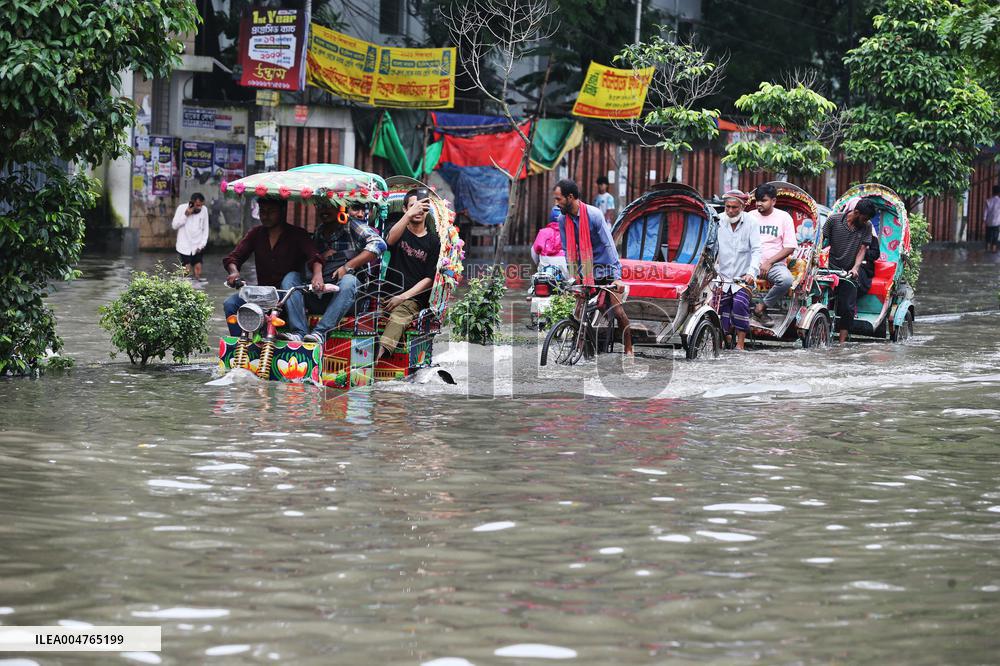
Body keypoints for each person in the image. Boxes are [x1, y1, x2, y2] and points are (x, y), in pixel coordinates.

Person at [282, 202, 387, 344]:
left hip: (348, 299)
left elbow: (379, 244)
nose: (324, 210)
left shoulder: (351, 225)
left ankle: (320, 333)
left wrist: (347, 267)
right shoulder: (319, 231)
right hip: (321, 294)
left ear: (340, 207)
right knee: (290, 278)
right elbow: (312, 259)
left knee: (349, 280)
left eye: (329, 206)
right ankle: (299, 332)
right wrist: (322, 262)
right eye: (321, 206)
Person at [553, 178, 633, 356]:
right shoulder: (561, 220)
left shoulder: (594, 214)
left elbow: (609, 245)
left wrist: (617, 276)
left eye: (559, 199)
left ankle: (628, 346)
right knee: (579, 310)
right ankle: (583, 346)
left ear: (570, 197)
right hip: (586, 269)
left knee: (617, 310)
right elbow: (567, 249)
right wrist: (573, 275)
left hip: (607, 268)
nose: (556, 203)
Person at [222, 198, 323, 337]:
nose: (265, 216)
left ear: (283, 211)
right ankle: (241, 345)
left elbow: (315, 256)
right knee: (230, 303)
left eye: (270, 211)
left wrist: (318, 275)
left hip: (288, 295)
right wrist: (234, 272)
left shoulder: (298, 234)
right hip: (264, 294)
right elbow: (234, 258)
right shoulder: (255, 234)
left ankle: (299, 333)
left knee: (290, 277)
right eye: (262, 211)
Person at [376, 189, 441, 361]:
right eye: (413, 206)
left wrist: (402, 297)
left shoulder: (434, 241)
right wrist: (407, 216)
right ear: (405, 209)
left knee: (400, 316)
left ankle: (376, 360)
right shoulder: (399, 229)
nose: (418, 210)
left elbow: (429, 279)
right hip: (387, 292)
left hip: (413, 299)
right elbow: (388, 241)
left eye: (422, 207)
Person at [823, 197, 878, 343]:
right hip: (830, 267)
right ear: (857, 212)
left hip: (849, 271)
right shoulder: (833, 220)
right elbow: (821, 241)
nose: (866, 222)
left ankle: (841, 343)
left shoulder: (867, 226)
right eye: (864, 218)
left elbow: (863, 249)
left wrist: (856, 268)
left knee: (847, 307)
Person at [714, 190, 761, 350]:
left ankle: (740, 344)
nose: (730, 211)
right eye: (727, 207)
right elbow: (711, 248)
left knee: (740, 303)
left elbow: (756, 250)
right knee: (717, 307)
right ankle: (723, 337)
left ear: (742, 207)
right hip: (722, 276)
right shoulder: (717, 221)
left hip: (742, 277)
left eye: (734, 207)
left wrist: (751, 273)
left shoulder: (751, 222)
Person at [746, 183, 797, 325]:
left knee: (786, 280)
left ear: (773, 201)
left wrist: (769, 262)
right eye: (757, 200)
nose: (759, 204)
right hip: (749, 263)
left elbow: (790, 247)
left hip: (773, 265)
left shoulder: (784, 217)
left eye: (763, 200)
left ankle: (760, 308)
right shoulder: (750, 216)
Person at [172, 192, 209, 279]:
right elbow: (174, 226)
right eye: (197, 205)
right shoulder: (181, 208)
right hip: (184, 245)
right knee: (186, 271)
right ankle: (186, 288)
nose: (199, 207)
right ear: (191, 203)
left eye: (201, 205)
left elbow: (205, 228)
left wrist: (202, 244)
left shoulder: (204, 210)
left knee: (198, 269)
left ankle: (199, 288)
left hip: (198, 245)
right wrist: (186, 215)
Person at [530, 206, 568, 278]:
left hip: (545, 271)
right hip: (566, 272)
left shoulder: (543, 232)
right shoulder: (571, 233)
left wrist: (538, 264)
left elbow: (534, 252)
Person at [984, 185, 1000, 253]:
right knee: (995, 237)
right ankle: (993, 249)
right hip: (997, 222)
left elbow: (985, 212)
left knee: (988, 236)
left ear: (992, 192)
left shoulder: (988, 201)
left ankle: (987, 249)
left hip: (989, 222)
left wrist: (983, 220)